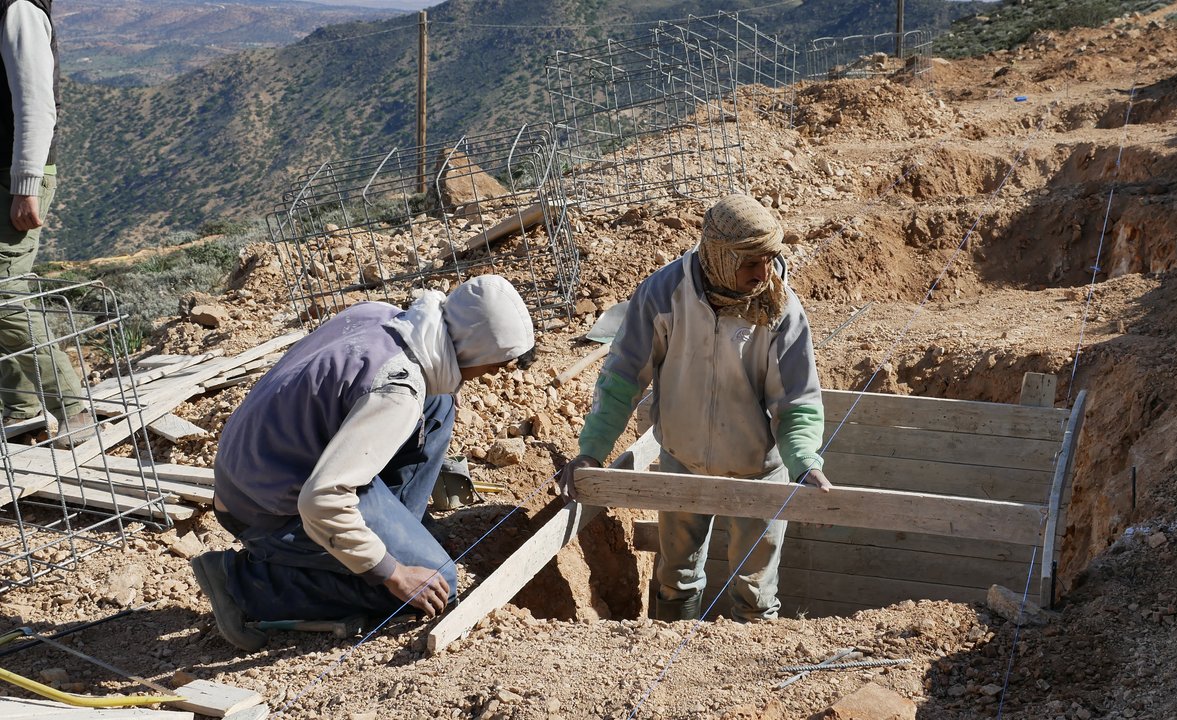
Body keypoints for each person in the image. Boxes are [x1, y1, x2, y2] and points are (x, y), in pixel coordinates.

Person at [191, 275, 535, 652]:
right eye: (495, 365)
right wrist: (394, 572)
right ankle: (242, 584)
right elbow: (321, 500)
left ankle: (397, 531)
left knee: (438, 403)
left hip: (260, 469)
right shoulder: (396, 391)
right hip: (267, 508)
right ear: (474, 348)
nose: (493, 375)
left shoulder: (386, 317)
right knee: (438, 584)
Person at [559, 194, 831, 622]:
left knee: (755, 586)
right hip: (683, 461)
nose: (763, 275)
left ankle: (744, 670)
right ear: (720, 257)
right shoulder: (664, 294)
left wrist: (803, 464)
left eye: (769, 261)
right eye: (750, 264)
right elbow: (622, 380)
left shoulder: (781, 309)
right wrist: (592, 450)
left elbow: (795, 401)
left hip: (758, 468)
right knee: (676, 575)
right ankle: (671, 657)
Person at [0, 0, 89, 441]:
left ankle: (72, 407)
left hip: (13, 179)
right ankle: (21, 410)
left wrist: (27, 184)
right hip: (8, 176)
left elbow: (37, 104)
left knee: (5, 293)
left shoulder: (18, 9)